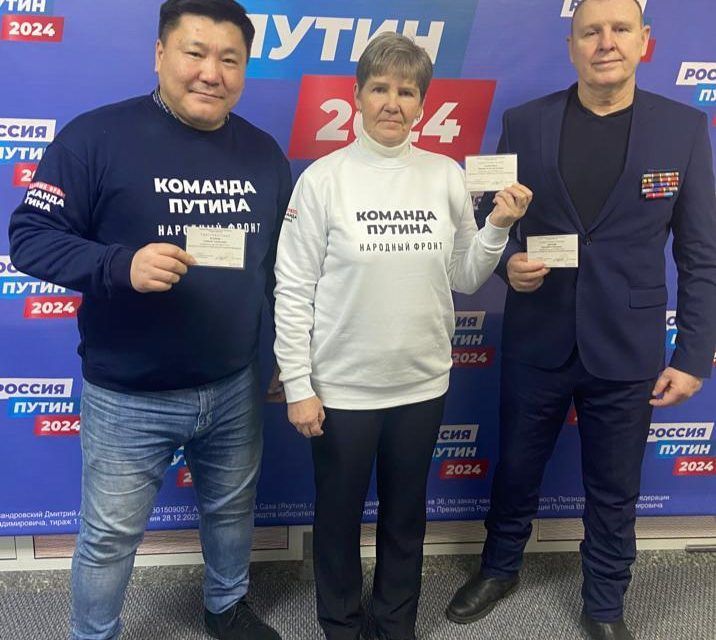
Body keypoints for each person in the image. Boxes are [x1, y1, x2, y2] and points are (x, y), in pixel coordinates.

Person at [8, 1, 291, 639]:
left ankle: (225, 606)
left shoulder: (262, 153)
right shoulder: (95, 137)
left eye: (230, 59)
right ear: (160, 54)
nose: (211, 72)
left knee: (231, 511)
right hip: (127, 395)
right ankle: (94, 633)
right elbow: (29, 238)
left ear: (245, 69)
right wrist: (119, 264)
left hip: (233, 383)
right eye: (195, 52)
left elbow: (279, 268)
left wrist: (280, 356)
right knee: (109, 535)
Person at [446, 1, 716, 639]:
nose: (605, 43)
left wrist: (692, 355)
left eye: (620, 30)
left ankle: (604, 603)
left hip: (627, 344)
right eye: (590, 31)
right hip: (538, 335)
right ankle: (500, 567)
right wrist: (507, 263)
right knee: (516, 467)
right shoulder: (524, 123)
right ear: (571, 44)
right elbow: (490, 220)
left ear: (644, 41)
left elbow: (700, 253)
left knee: (616, 486)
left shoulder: (683, 128)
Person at [273, 32, 532, 640]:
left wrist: (497, 226)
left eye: (407, 91)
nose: (392, 102)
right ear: (357, 95)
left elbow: (465, 276)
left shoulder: (444, 176)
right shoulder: (323, 180)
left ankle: (394, 624)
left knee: (405, 516)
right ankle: (341, 625)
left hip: (421, 384)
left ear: (423, 104)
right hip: (342, 388)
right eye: (380, 88)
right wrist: (299, 385)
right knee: (338, 519)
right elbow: (292, 288)